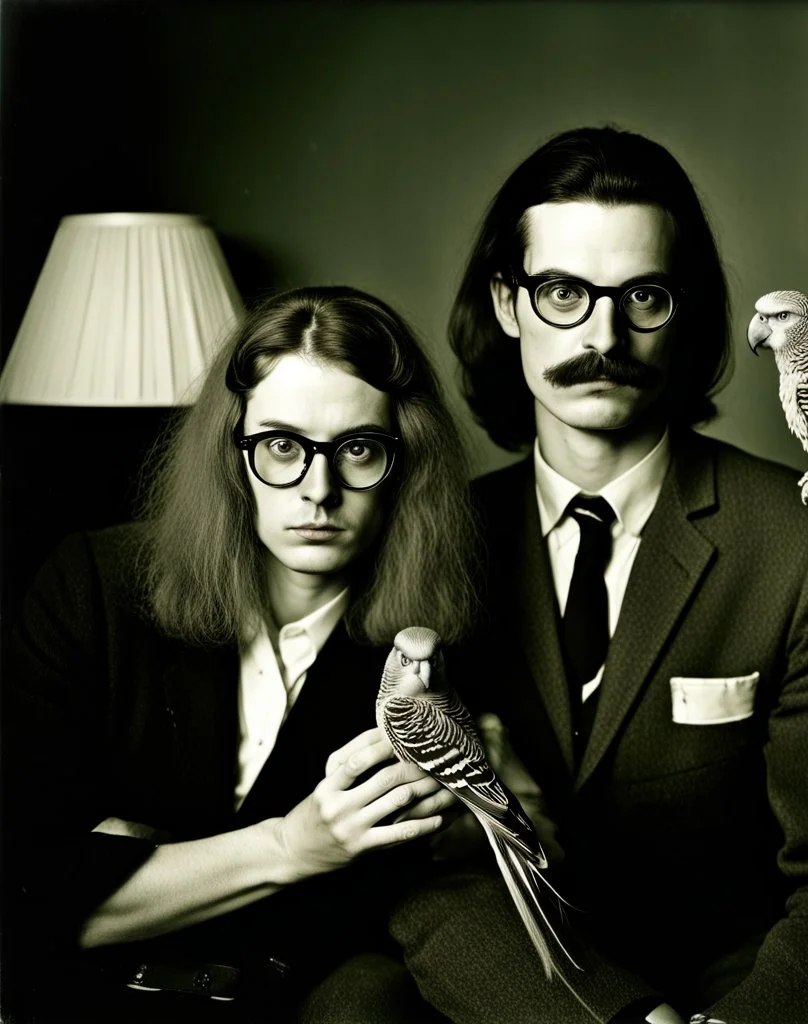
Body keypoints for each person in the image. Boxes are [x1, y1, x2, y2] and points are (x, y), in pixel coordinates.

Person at [390, 127, 808, 1024]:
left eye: (643, 296)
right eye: (562, 291)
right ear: (507, 304)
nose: (604, 336)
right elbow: (414, 868)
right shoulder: (424, 540)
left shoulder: (800, 546)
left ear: (690, 312)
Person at [1, 286, 480, 1023]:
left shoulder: (428, 655)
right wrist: (292, 848)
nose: (318, 491)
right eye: (282, 446)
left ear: (403, 464)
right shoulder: (92, 585)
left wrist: (137, 862)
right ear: (234, 455)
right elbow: (22, 894)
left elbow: (391, 906)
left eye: (358, 449)